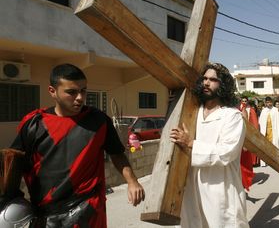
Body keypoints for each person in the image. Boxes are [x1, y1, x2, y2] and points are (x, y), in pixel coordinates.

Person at [10, 64, 144, 227]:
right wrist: (9, 200)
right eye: (72, 92)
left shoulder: (99, 121)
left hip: (89, 211)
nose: (80, 97)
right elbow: (13, 164)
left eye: (83, 90)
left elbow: (117, 153)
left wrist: (132, 182)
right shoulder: (34, 124)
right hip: (45, 216)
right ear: (52, 91)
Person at [170, 63, 248, 228]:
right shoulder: (191, 114)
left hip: (220, 190)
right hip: (192, 188)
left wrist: (191, 143)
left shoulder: (232, 117)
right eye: (204, 78)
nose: (206, 83)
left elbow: (226, 153)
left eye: (213, 80)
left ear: (223, 85)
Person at [258, 96, 279, 166]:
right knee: (266, 147)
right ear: (265, 103)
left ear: (272, 102)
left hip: (274, 131)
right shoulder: (264, 111)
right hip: (266, 132)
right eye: (267, 102)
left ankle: (276, 160)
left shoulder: (275, 110)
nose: (268, 104)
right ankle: (267, 161)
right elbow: (261, 122)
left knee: (275, 145)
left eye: (269, 102)